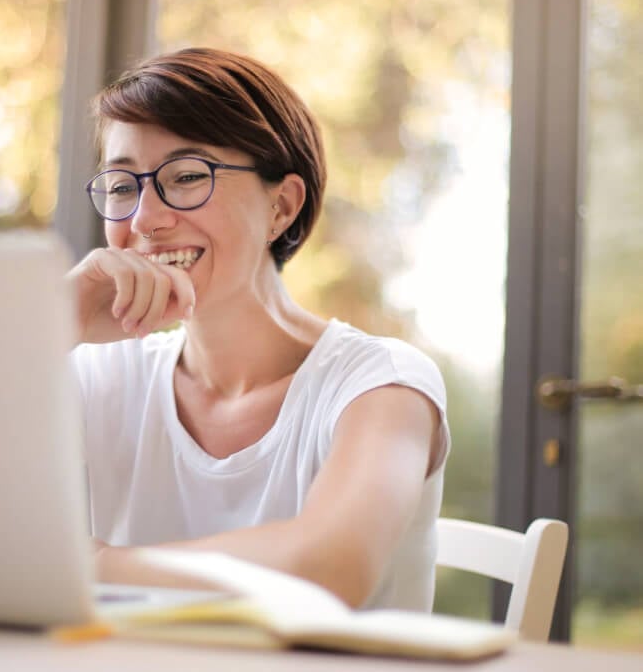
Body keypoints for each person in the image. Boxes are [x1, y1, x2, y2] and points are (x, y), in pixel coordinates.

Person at [67, 47, 449, 611]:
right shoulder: (97, 374)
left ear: (282, 207)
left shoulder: (382, 386)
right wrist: (54, 324)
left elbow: (327, 568)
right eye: (123, 186)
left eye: (188, 176)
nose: (145, 219)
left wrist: (90, 564)